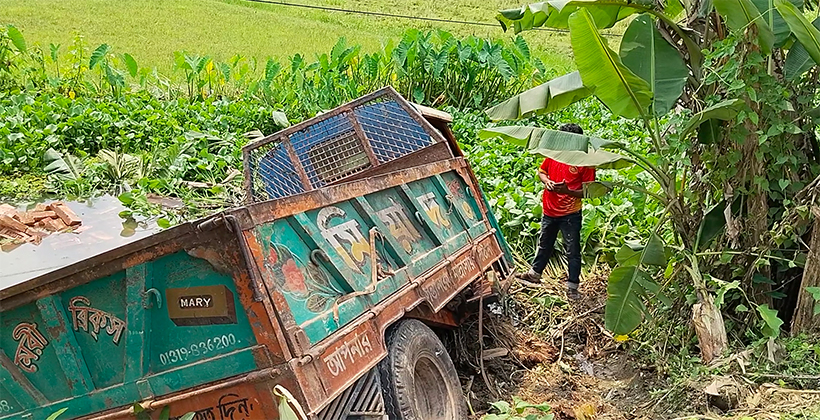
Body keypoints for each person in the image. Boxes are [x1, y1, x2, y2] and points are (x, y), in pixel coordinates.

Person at [517, 123, 595, 300]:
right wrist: (547, 182)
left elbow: (589, 191)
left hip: (570, 213)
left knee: (572, 250)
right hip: (549, 210)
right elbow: (542, 171)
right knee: (544, 244)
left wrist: (567, 191)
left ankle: (573, 287)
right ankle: (534, 275)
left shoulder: (584, 161)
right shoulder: (554, 155)